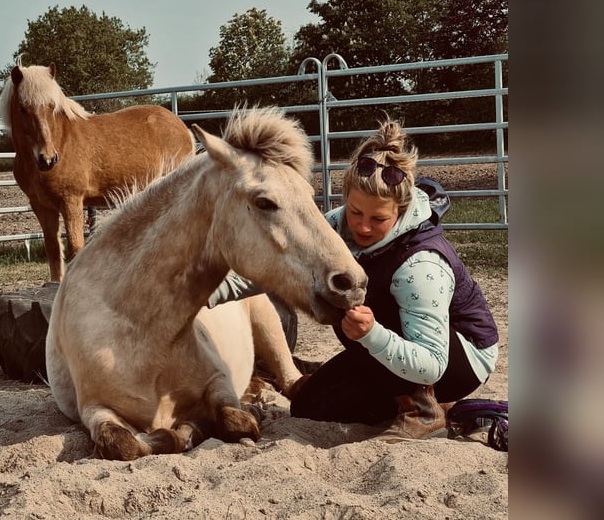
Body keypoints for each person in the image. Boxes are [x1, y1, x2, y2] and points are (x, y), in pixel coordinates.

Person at [208, 117, 499, 442]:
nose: (362, 226)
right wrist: (212, 293)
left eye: (379, 219)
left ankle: (423, 411)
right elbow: (282, 269)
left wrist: (373, 334)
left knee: (351, 297)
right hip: (382, 339)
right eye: (355, 211)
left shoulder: (421, 263)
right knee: (310, 406)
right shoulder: (336, 227)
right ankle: (423, 402)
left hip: (457, 358)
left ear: (401, 211)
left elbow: (431, 363)